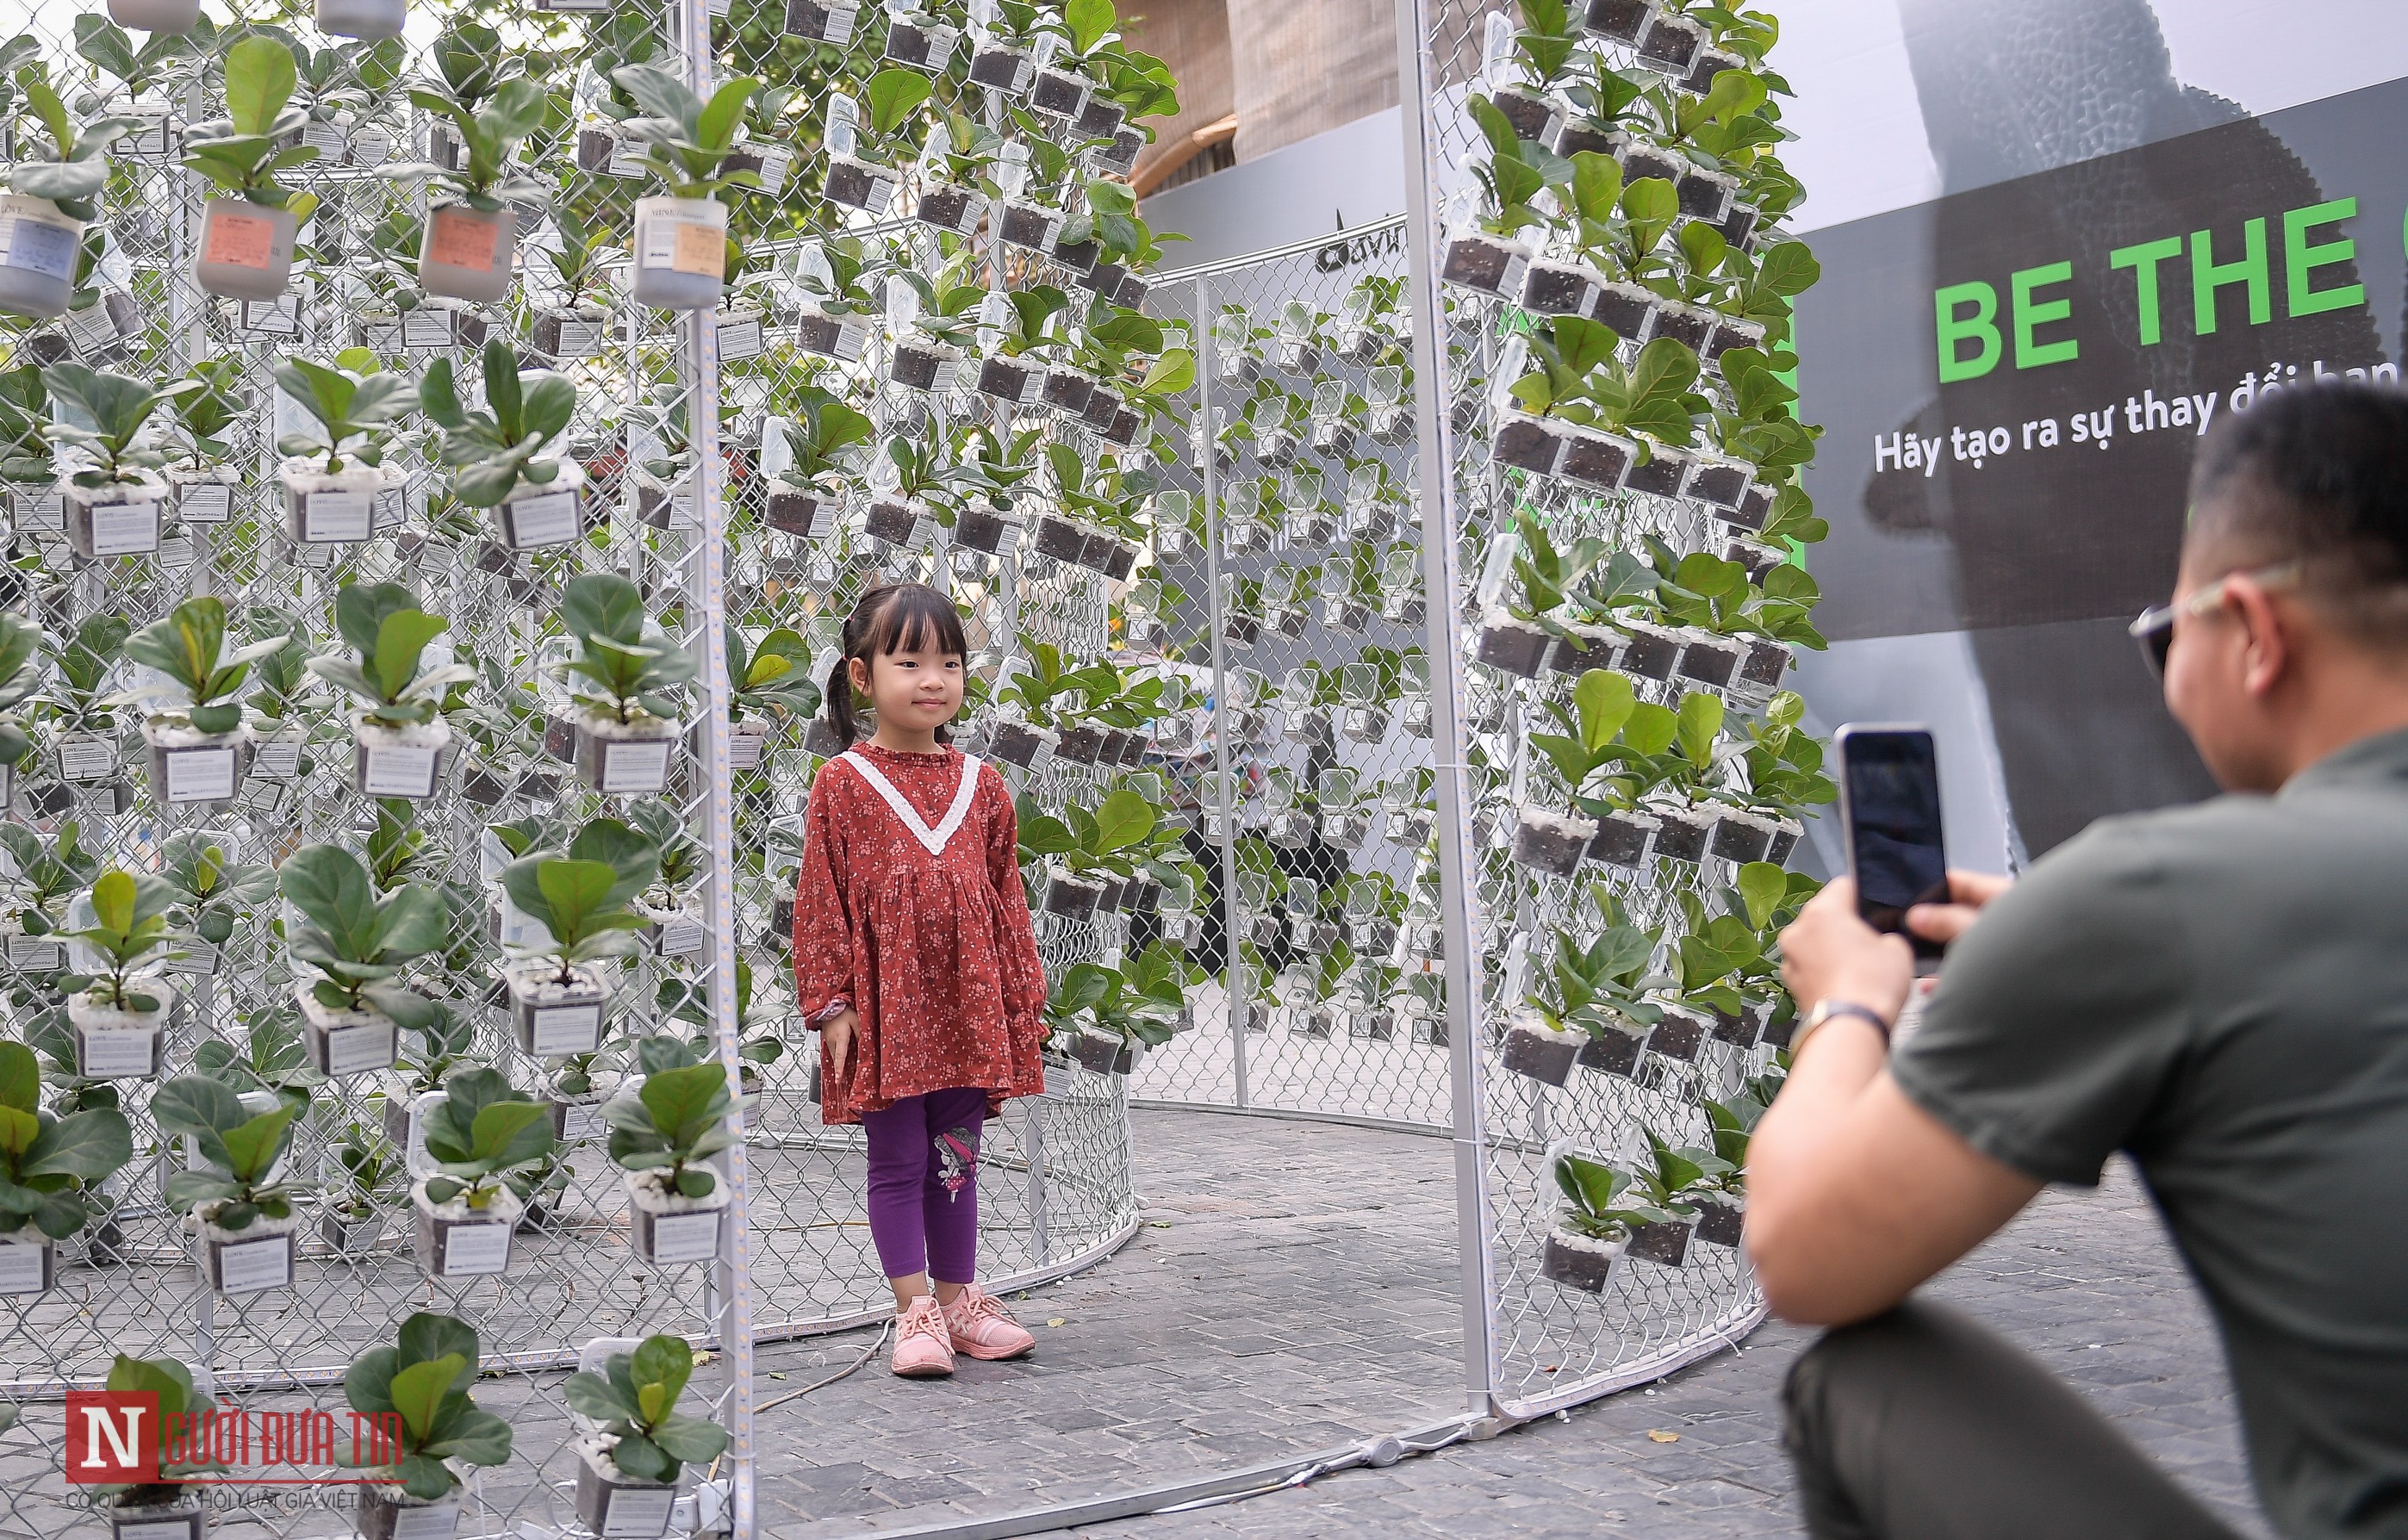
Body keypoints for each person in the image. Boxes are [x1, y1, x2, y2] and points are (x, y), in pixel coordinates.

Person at [1752, 382, 2408, 1539]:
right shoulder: (2148, 918)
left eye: (2167, 634)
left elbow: (1801, 1251)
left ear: (2252, 635)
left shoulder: (2150, 900)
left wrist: (1846, 1005)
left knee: (1860, 1384)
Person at [792, 582, 1047, 1378]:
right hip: (886, 1014)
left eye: (949, 662)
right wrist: (831, 1003)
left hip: (967, 1009)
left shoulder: (984, 786)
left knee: (955, 1159)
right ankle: (915, 1314)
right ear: (862, 677)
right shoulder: (841, 784)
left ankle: (962, 1300)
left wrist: (1017, 999)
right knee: (897, 1160)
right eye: (909, 661)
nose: (932, 679)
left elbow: (1007, 898)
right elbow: (820, 899)